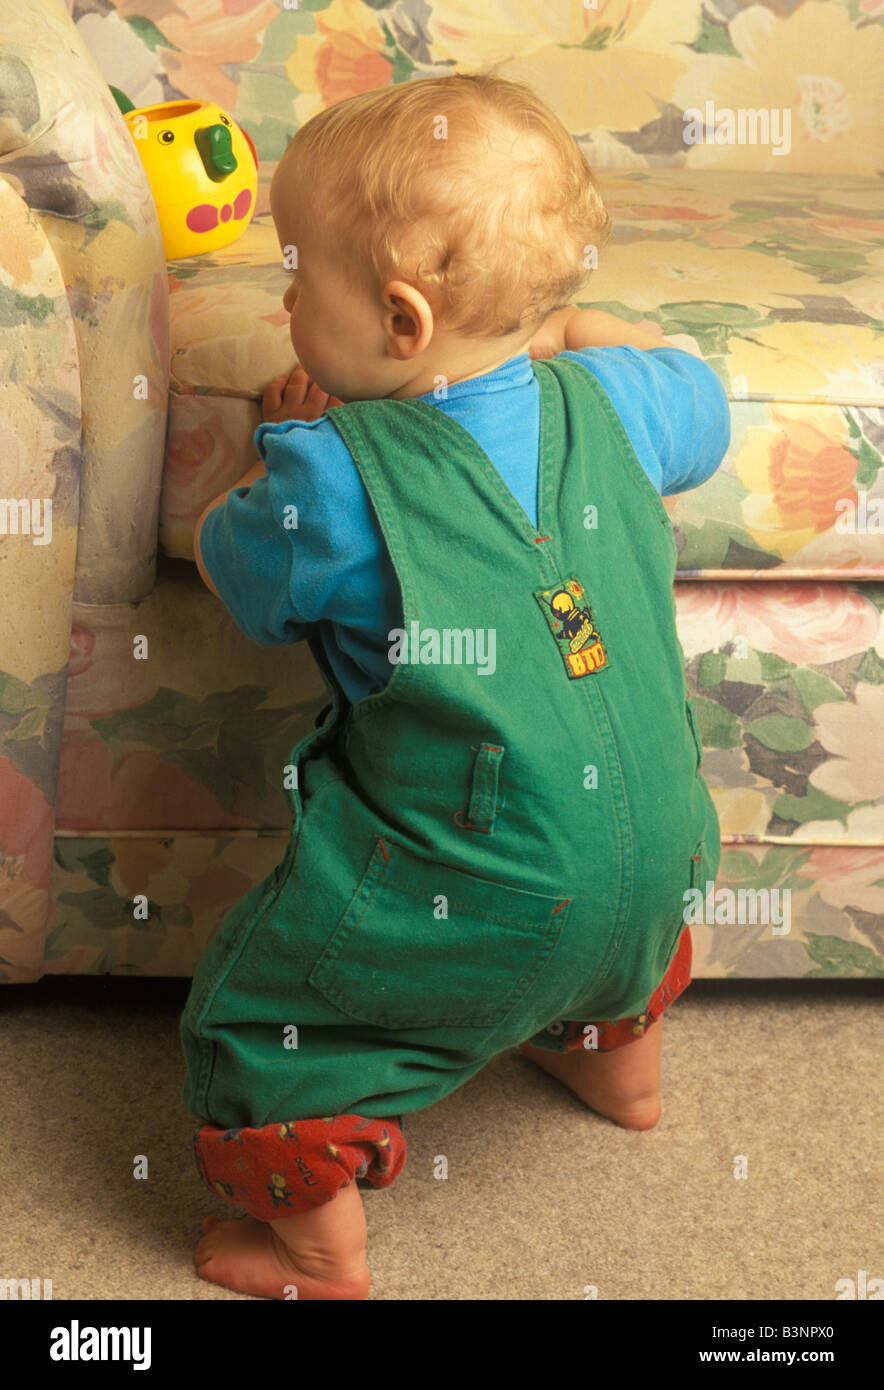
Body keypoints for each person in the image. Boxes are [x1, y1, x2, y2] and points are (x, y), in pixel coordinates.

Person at [180, 71, 730, 1300]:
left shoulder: (330, 482)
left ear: (400, 319)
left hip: (473, 891)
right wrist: (579, 339)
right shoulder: (620, 400)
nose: (279, 295)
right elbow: (704, 404)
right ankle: (614, 1065)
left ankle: (309, 1247)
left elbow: (238, 572)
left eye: (294, 272)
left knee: (257, 1015)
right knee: (609, 911)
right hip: (663, 858)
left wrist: (282, 454)